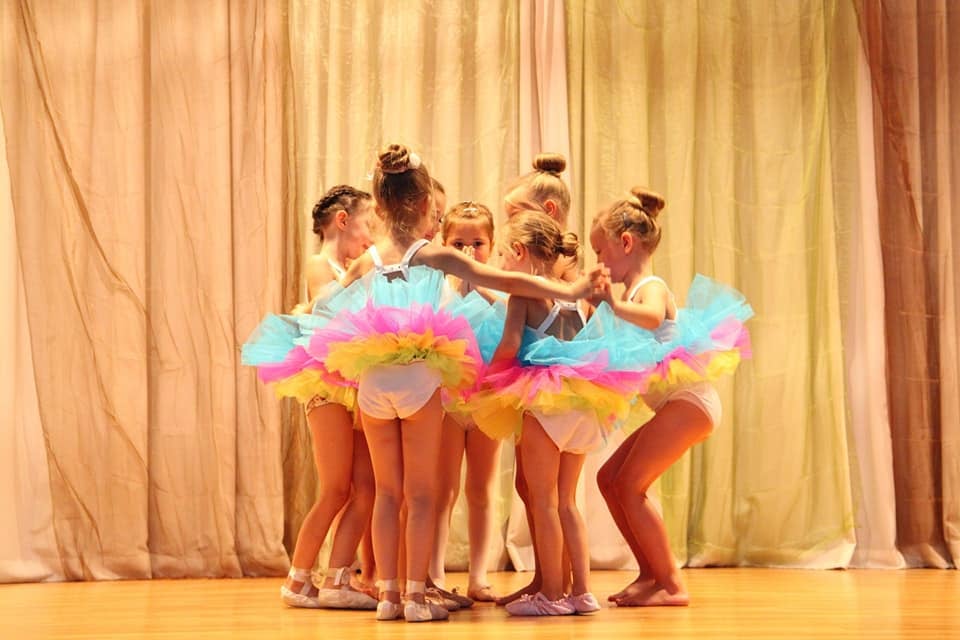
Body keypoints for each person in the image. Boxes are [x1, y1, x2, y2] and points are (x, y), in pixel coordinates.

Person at [305, 143, 606, 623]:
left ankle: (388, 596)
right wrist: (568, 288)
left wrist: (310, 317)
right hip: (419, 378)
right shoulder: (434, 254)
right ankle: (416, 596)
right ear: (427, 204)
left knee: (387, 493)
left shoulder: (368, 260)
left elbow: (325, 304)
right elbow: (504, 282)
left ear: (378, 206)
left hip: (374, 379)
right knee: (422, 494)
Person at [589, 187, 752, 607]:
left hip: (690, 402)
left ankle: (672, 584)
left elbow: (653, 317)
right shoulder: (628, 295)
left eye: (600, 251)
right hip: (675, 405)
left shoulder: (651, 287)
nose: (598, 262)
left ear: (626, 243)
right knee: (609, 480)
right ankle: (650, 575)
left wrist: (611, 303)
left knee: (630, 485)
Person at [465, 211, 632, 616]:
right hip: (584, 403)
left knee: (543, 502)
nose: (502, 263)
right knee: (567, 502)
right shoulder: (575, 298)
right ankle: (582, 592)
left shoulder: (524, 296)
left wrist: (487, 378)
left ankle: (553, 594)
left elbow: (509, 345)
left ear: (520, 252)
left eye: (504, 255)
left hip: (545, 404)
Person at [242, 185, 378, 610]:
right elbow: (327, 306)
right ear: (343, 221)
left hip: (359, 386)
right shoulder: (321, 264)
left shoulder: (356, 266)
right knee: (336, 487)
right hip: (327, 385)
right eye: (368, 224)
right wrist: (364, 272)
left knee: (367, 487)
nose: (371, 236)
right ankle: (298, 578)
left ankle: (337, 577)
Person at [497, 153, 577, 606]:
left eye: (515, 215)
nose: (509, 225)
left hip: (545, 390)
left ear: (545, 213)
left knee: (552, 494)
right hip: (546, 388)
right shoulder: (545, 272)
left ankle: (556, 585)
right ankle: (550, 578)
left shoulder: (561, 267)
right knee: (529, 486)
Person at [431, 202, 501, 603]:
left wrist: (484, 288)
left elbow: (513, 322)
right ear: (444, 244)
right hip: (447, 403)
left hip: (488, 401)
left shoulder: (501, 289)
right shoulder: (439, 289)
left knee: (481, 489)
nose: (469, 251)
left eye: (477, 243)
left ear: (491, 245)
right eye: (458, 243)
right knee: (443, 490)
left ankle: (479, 576)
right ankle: (435, 574)